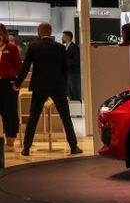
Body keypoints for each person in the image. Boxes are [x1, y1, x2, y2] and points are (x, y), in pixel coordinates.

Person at [16, 22, 81, 157]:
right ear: (50, 32)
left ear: (39, 32)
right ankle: (73, 146)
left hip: (39, 86)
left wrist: (17, 83)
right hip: (57, 86)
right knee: (65, 117)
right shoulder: (60, 47)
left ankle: (26, 148)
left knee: (33, 117)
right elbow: (65, 69)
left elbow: (25, 67)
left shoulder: (33, 46)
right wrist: (63, 85)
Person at [0, 23, 22, 149]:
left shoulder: (11, 48)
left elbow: (18, 67)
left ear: (3, 34)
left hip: (8, 83)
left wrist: (17, 84)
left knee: (10, 111)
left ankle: (10, 140)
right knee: (2, 111)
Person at [63, 30, 81, 102]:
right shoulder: (66, 47)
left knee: (74, 90)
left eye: (63, 36)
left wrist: (65, 62)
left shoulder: (74, 47)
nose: (62, 37)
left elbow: (76, 60)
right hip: (69, 72)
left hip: (74, 73)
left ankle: (77, 106)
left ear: (67, 37)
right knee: (70, 91)